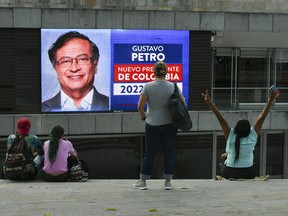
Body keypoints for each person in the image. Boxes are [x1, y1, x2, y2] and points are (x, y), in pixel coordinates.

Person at [201, 89, 278, 179]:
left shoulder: (231, 134)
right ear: (249, 130)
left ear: (236, 128)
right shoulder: (252, 135)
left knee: (223, 161)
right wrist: (271, 99)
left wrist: (208, 102)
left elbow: (220, 118)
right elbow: (262, 117)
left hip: (229, 172)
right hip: (248, 172)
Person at [132, 61, 186, 190]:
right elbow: (183, 103)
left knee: (149, 153)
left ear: (154, 71)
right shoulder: (173, 86)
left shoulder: (148, 86)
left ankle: (143, 181)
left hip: (152, 123)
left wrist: (143, 116)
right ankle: (167, 182)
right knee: (169, 152)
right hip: (170, 124)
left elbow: (140, 106)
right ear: (166, 71)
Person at [42, 31, 109, 112]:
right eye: (65, 61)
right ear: (55, 68)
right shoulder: (43, 108)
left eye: (82, 59)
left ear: (95, 65)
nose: (74, 68)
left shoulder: (112, 105)